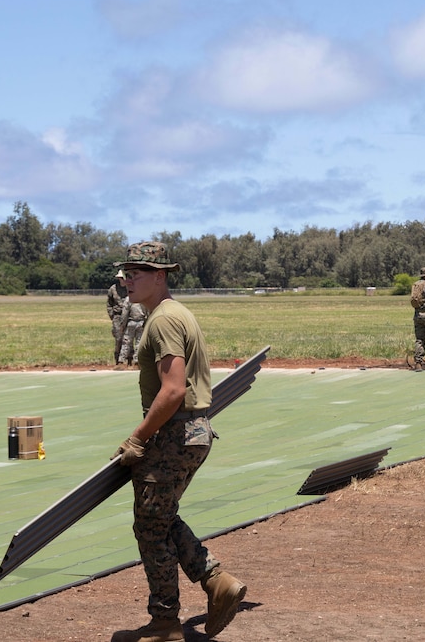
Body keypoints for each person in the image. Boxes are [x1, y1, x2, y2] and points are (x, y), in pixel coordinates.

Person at [109, 242, 246, 642]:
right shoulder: (175, 313)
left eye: (136, 273)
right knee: (160, 518)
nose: (126, 280)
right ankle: (215, 582)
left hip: (173, 434)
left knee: (150, 526)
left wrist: (138, 439)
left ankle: (165, 622)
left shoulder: (163, 320)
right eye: (126, 273)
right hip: (192, 430)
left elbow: (171, 390)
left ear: (161, 276)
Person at [118, 296, 147, 366]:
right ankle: (137, 361)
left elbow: (125, 313)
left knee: (126, 342)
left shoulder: (129, 298)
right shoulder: (143, 298)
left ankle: (122, 361)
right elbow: (148, 311)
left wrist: (122, 324)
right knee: (139, 342)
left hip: (131, 322)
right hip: (141, 322)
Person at [107, 270, 128, 364]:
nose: (121, 280)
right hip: (117, 316)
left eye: (122, 278)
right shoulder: (113, 289)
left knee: (128, 338)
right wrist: (111, 314)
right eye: (119, 278)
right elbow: (109, 303)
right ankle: (118, 359)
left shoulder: (130, 287)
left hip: (128, 316)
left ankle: (130, 359)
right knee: (118, 337)